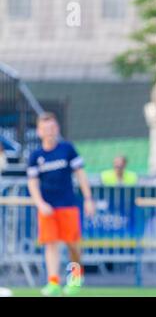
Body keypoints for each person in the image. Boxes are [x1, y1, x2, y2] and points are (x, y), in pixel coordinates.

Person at [27, 112, 95, 296]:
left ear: (57, 129)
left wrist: (88, 199)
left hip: (68, 204)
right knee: (50, 244)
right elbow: (32, 182)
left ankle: (74, 279)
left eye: (52, 128)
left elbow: (81, 175)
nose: (49, 132)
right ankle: (53, 282)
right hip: (47, 207)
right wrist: (40, 203)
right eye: (45, 129)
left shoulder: (67, 149)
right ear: (39, 132)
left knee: (72, 244)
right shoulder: (35, 155)